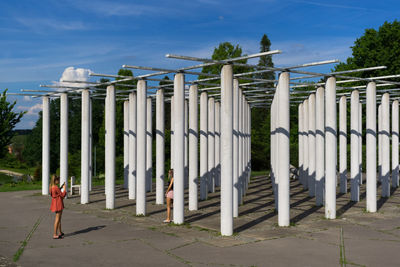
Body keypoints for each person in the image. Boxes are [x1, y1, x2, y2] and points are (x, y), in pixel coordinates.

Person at [49, 175, 66, 239]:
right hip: (58, 203)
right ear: (55, 180)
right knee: (57, 219)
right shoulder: (55, 187)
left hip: (54, 203)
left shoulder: (51, 187)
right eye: (58, 180)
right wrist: (64, 188)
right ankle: (55, 234)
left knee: (58, 219)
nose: (59, 181)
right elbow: (62, 195)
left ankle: (60, 232)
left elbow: (54, 194)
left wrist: (60, 188)